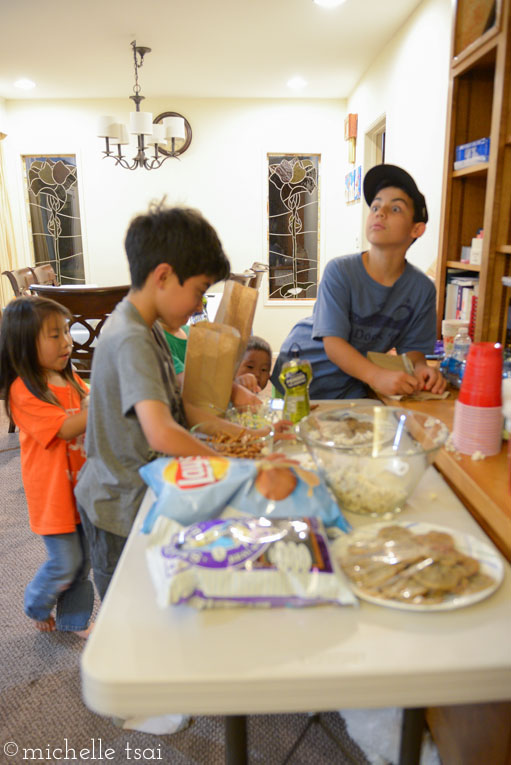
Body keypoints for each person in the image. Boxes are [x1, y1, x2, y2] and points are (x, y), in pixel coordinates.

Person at [75, 203, 245, 599]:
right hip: (118, 505)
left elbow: (182, 402)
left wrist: (250, 435)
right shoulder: (131, 337)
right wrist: (231, 465)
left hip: (140, 491)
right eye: (200, 290)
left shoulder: (146, 326)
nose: (199, 305)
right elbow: (162, 432)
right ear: (164, 276)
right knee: (129, 605)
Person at [271, 164, 446, 400]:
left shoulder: (421, 289)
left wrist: (422, 369)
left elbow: (413, 352)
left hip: (351, 380)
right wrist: (377, 377)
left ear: (417, 229)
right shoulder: (340, 271)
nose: (380, 212)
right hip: (299, 370)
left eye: (395, 208)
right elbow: (334, 344)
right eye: (376, 205)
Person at [0, 297, 94, 637]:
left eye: (67, 332)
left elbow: (87, 402)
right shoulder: (22, 391)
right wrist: (103, 405)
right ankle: (35, 603)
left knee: (83, 562)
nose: (67, 341)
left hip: (82, 489)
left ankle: (72, 620)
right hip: (53, 494)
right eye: (55, 335)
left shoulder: (69, 378)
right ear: (24, 343)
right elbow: (68, 427)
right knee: (65, 563)